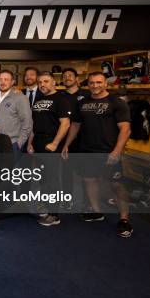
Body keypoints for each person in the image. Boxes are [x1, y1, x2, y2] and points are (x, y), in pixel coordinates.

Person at [62, 72, 133, 238]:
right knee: (89, 180)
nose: (95, 86)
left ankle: (124, 219)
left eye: (99, 82)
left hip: (108, 151)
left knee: (115, 184)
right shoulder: (83, 102)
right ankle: (96, 211)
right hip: (87, 150)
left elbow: (125, 129)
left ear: (105, 84)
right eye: (92, 83)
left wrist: (116, 151)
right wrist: (67, 144)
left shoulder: (116, 103)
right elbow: (75, 125)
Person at [27, 72, 71, 227]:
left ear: (54, 83)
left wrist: (55, 143)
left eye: (46, 81)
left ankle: (54, 215)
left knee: (52, 180)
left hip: (50, 145)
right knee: (42, 179)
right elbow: (34, 124)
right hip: (38, 143)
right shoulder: (39, 99)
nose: (42, 84)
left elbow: (65, 123)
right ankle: (46, 207)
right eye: (40, 82)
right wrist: (30, 143)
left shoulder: (61, 99)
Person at [60, 68, 88, 209]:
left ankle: (87, 203)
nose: (67, 78)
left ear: (77, 78)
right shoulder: (60, 96)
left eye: (70, 76)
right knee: (67, 171)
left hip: (85, 139)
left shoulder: (87, 95)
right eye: (64, 76)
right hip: (67, 140)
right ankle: (67, 200)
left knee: (86, 173)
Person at [0, 70, 32, 154]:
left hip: (13, 144)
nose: (3, 82)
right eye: (1, 79)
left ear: (12, 82)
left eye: (6, 79)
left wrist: (19, 144)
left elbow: (28, 123)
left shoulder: (21, 98)